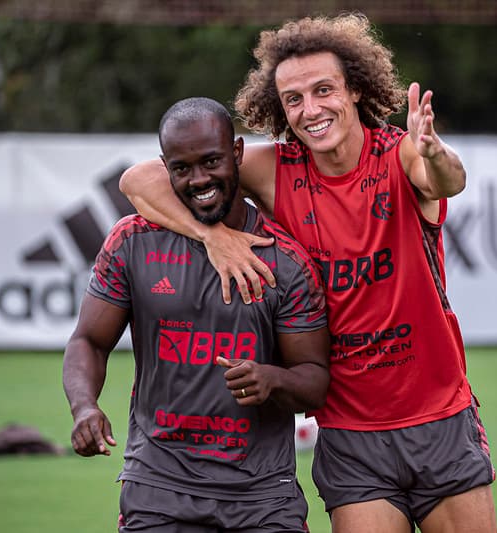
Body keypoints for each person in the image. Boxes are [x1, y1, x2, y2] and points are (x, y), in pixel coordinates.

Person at [119, 14, 497, 533]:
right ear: (279, 108)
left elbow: (445, 180)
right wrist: (213, 236)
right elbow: (138, 179)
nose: (310, 109)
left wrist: (435, 150)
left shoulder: (402, 154)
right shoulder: (276, 170)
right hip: (349, 434)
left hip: (440, 418)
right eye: (293, 99)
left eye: (324, 90)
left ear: (357, 89)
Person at [63, 97, 330, 533]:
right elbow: (88, 341)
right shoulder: (133, 242)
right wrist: (83, 407)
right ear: (165, 167)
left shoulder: (284, 261)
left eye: (211, 162)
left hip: (262, 498)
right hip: (158, 489)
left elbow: (315, 380)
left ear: (238, 154)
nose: (199, 179)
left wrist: (273, 380)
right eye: (182, 168)